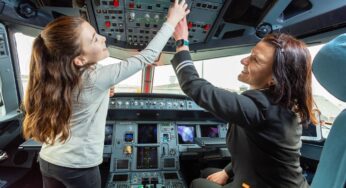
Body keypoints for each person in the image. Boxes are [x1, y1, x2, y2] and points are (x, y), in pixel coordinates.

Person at [22, 1, 189, 187]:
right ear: (80, 59)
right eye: (94, 39)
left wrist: (101, 94)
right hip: (78, 167)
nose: (103, 38)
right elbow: (147, 56)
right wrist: (173, 20)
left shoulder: (57, 77)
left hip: (48, 159)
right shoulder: (94, 79)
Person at [171, 17, 317, 188]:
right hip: (272, 181)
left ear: (274, 80)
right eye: (251, 53)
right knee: (206, 172)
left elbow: (194, 86)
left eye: (255, 59)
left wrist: (182, 42)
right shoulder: (281, 104)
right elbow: (260, 153)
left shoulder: (260, 107)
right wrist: (226, 172)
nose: (244, 60)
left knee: (197, 183)